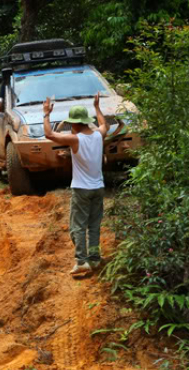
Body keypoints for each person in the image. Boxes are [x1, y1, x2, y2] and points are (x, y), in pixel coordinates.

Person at [43, 94, 121, 274]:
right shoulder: (98, 136)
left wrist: (46, 114)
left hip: (81, 189)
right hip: (98, 188)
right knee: (94, 225)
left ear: (75, 124)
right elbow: (104, 125)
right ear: (86, 121)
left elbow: (49, 134)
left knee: (78, 226)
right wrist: (97, 107)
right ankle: (94, 259)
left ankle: (81, 261)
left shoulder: (75, 139)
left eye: (71, 124)